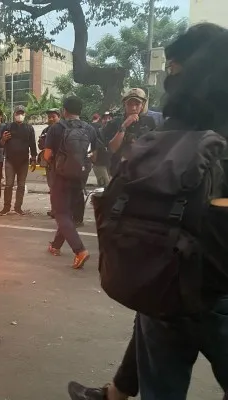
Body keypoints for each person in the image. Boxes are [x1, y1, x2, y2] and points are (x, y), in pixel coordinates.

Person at [67, 22, 228, 400]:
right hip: (204, 292)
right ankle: (115, 392)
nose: (170, 75)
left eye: (174, 67)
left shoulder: (171, 128)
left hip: (167, 283)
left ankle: (114, 394)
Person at [44, 96, 97, 269]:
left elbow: (47, 156)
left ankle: (79, 250)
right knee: (68, 214)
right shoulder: (90, 129)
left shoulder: (56, 128)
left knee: (61, 214)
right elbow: (94, 155)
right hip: (79, 177)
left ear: (64, 111)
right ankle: (55, 246)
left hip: (60, 177)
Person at [103, 89, 156, 175]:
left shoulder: (149, 122)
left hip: (142, 172)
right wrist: (124, 126)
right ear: (124, 105)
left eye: (137, 104)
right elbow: (112, 149)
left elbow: (153, 148)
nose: (133, 108)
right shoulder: (114, 123)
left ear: (142, 105)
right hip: (119, 172)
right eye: (129, 104)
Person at [0, 105, 38, 216]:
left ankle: (18, 207)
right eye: (17, 113)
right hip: (10, 160)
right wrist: (3, 139)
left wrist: (34, 159)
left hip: (24, 161)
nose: (19, 116)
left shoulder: (29, 128)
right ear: (14, 114)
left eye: (21, 113)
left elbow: (32, 145)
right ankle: (6, 208)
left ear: (25, 115)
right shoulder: (7, 127)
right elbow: (0, 144)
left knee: (21, 185)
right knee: (8, 185)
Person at [39, 108, 61, 218]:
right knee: (52, 187)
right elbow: (40, 146)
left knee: (62, 187)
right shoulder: (45, 130)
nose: (51, 119)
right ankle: (54, 210)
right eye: (49, 117)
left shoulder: (64, 129)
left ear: (59, 117)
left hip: (62, 163)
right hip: (50, 164)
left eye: (54, 116)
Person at [91, 113, 111, 188]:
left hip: (111, 164)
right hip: (99, 163)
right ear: (101, 120)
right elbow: (92, 147)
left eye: (109, 118)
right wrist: (93, 160)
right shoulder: (97, 131)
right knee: (104, 188)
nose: (107, 120)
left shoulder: (116, 132)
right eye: (105, 118)